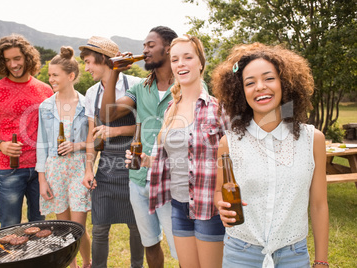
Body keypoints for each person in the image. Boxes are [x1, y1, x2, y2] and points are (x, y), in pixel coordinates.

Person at [212, 43, 329, 268]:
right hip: (240, 254)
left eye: (269, 78)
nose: (260, 87)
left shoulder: (313, 139)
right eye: (250, 82)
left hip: (294, 256)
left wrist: (321, 261)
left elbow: (319, 204)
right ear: (240, 92)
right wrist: (221, 205)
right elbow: (220, 190)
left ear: (285, 84)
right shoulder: (229, 143)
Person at [126, 35, 230, 268]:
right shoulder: (171, 110)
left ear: (201, 63)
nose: (180, 64)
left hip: (208, 207)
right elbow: (171, 161)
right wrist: (145, 161)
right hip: (178, 206)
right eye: (175, 59)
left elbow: (235, 160)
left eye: (187, 57)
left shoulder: (218, 109)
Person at [99, 26, 179, 267]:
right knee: (150, 242)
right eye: (143, 45)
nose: (144, 50)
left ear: (168, 48)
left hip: (173, 179)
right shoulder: (139, 89)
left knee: (182, 246)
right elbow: (107, 116)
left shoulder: (186, 86)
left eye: (150, 45)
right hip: (139, 178)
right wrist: (113, 73)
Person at [79, 36, 144, 268]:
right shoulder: (91, 93)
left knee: (137, 228)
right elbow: (91, 135)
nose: (86, 68)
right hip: (106, 168)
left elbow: (146, 125)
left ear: (104, 60)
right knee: (99, 228)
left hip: (133, 165)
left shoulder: (136, 84)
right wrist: (89, 167)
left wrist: (115, 132)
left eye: (89, 62)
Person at [0, 34, 53, 228]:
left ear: (27, 57)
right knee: (9, 227)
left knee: (39, 226)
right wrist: (1, 145)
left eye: (17, 58)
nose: (13, 64)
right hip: (10, 170)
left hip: (41, 169)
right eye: (7, 60)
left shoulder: (45, 90)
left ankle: (36, 260)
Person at [36, 46, 91, 268]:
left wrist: (76, 145)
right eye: (49, 75)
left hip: (79, 169)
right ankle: (73, 265)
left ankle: (88, 263)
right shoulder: (45, 107)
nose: (50, 79)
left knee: (78, 228)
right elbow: (41, 144)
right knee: (63, 228)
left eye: (55, 75)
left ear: (71, 76)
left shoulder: (87, 105)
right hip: (55, 171)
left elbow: (95, 142)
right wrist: (42, 179)